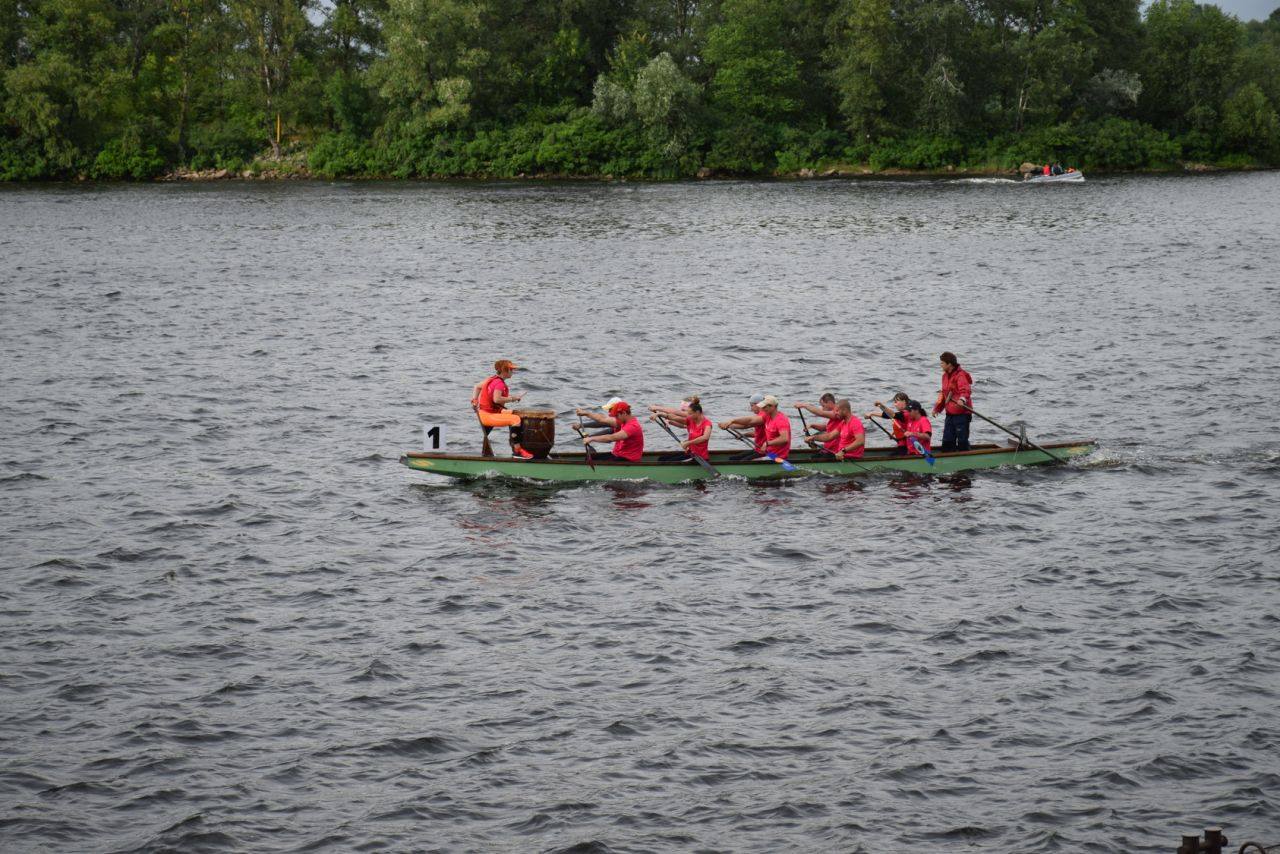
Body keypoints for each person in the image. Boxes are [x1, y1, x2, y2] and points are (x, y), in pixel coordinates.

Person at [471, 359, 531, 458]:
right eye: (511, 370)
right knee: (516, 419)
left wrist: (474, 400)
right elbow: (497, 399)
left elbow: (477, 386)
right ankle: (517, 451)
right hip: (488, 416)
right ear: (504, 371)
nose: (513, 372)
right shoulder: (500, 384)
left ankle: (488, 451)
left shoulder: (491, 379)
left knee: (514, 413)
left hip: (484, 413)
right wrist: (513, 398)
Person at [649, 396, 712, 462]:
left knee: (666, 462)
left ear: (698, 412)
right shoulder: (691, 420)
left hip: (698, 457)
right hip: (690, 453)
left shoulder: (707, 424)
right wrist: (660, 414)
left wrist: (688, 443)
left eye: (690, 414)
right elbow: (674, 417)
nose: (688, 416)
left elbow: (705, 437)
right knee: (661, 459)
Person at [932, 351, 973, 452]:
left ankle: (966, 459)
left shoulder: (961, 375)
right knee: (947, 440)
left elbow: (965, 390)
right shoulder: (944, 376)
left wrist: (962, 399)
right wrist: (937, 408)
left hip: (962, 414)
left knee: (962, 440)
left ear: (949, 364)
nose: (940, 365)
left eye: (942, 363)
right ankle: (948, 457)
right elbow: (944, 394)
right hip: (950, 413)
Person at [580, 400, 645, 462]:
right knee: (591, 457)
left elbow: (611, 438)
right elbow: (602, 418)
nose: (616, 418)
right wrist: (586, 413)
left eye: (617, 416)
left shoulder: (632, 426)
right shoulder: (623, 421)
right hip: (618, 455)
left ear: (624, 413)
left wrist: (592, 438)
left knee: (593, 460)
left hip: (628, 460)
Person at [718, 393, 769, 461]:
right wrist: (744, 435)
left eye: (752, 406)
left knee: (739, 461)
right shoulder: (761, 415)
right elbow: (758, 433)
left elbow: (747, 424)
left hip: (765, 451)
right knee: (732, 458)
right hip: (759, 449)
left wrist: (730, 423)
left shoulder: (763, 415)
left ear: (758, 405)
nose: (751, 409)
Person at [754, 395, 792, 461]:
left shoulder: (781, 420)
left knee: (752, 461)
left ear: (773, 406)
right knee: (741, 459)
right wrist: (733, 422)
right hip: (769, 452)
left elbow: (784, 439)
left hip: (778, 456)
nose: (762, 409)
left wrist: (767, 443)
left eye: (764, 407)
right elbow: (751, 421)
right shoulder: (768, 416)